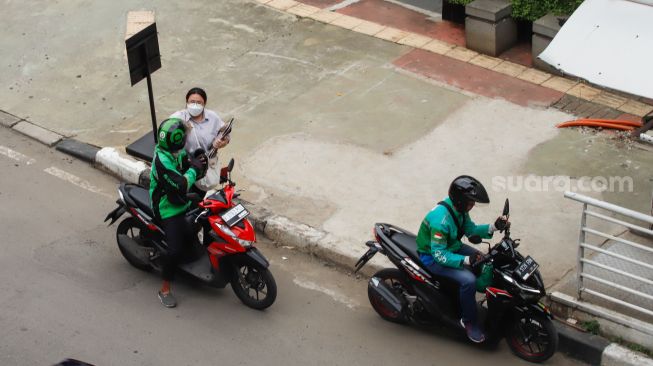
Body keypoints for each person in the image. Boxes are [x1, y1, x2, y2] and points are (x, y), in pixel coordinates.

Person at [415, 175, 509, 343]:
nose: (472, 206)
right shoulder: (441, 221)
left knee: (485, 259)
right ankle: (468, 322)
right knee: (469, 281)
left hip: (451, 246)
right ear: (459, 201)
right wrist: (466, 260)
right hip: (432, 257)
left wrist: (494, 227)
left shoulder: (459, 210)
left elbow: (470, 229)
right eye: (470, 202)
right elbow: (439, 255)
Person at [150, 118, 207, 308]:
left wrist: (199, 162)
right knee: (174, 250)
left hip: (180, 201)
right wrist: (194, 171)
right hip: (167, 208)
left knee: (203, 217)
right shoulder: (162, 161)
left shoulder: (175, 152)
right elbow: (181, 184)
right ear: (178, 140)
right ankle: (164, 289)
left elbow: (190, 164)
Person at [170, 87, 230, 196]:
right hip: (185, 167)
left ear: (204, 104)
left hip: (206, 164)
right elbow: (166, 135)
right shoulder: (178, 118)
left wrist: (223, 142)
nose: (195, 105)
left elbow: (225, 133)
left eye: (199, 102)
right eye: (192, 102)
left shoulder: (213, 117)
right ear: (187, 102)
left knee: (200, 193)